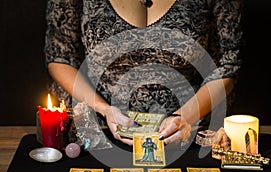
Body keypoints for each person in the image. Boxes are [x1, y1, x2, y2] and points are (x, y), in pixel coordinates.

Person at [44, 0, 243, 146]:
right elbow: (60, 57)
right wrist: (104, 109)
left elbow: (227, 65)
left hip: (187, 133)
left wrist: (185, 117)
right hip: (97, 132)